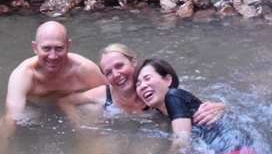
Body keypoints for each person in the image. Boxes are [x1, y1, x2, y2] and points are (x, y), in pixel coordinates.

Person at [135, 58, 258, 154]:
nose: (143, 86)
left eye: (147, 78)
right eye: (138, 84)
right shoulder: (170, 110)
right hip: (241, 150)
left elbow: (181, 142)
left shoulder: (173, 96)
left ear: (168, 80)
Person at [0, 21, 105, 143]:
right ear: (35, 48)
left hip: (72, 107)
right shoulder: (23, 74)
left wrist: (80, 119)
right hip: (37, 110)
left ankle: (88, 151)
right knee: (0, 129)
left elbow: (112, 95)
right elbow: (12, 116)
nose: (53, 56)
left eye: (59, 48)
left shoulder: (83, 69)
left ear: (68, 46)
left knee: (94, 109)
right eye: (46, 49)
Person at [61, 44, 226, 124]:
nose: (116, 75)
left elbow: (193, 104)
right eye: (109, 72)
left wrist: (220, 108)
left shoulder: (156, 88)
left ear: (134, 62)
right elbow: (65, 100)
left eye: (119, 66)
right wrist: (79, 125)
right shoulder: (104, 95)